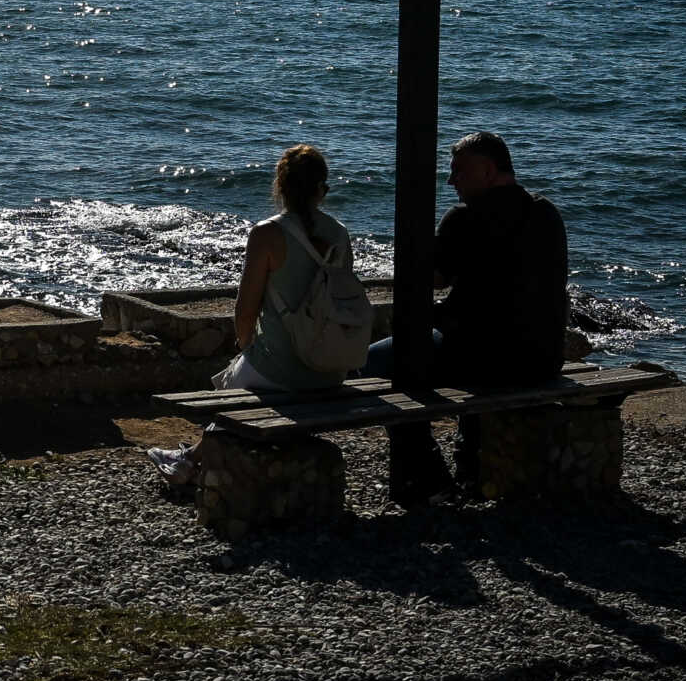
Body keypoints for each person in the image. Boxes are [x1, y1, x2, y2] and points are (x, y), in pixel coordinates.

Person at [363, 130, 570, 498]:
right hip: (543, 357)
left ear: (488, 171)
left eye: (458, 171)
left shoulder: (464, 218)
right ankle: (470, 459)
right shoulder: (546, 214)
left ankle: (424, 466)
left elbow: (433, 280)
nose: (451, 181)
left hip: (481, 359)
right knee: (476, 337)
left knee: (378, 360)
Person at [151, 145, 369, 489]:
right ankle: (190, 457)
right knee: (241, 380)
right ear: (321, 189)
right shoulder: (339, 234)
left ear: (280, 187)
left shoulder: (267, 233)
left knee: (233, 380)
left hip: (280, 368)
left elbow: (245, 311)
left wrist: (246, 348)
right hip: (331, 368)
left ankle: (189, 462)